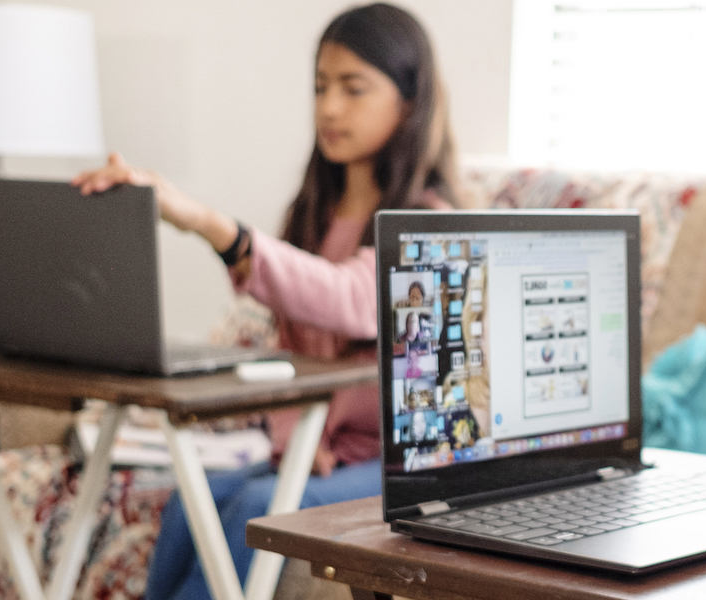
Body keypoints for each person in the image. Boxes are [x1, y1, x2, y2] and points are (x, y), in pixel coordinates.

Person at [71, 4, 463, 597]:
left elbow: (350, 297)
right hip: (320, 450)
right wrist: (294, 440)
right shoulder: (314, 215)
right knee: (194, 499)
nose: (329, 108)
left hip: (401, 468)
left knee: (260, 506)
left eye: (353, 88)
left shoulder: (431, 225)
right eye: (320, 87)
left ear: (410, 103)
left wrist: (208, 223)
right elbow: (292, 344)